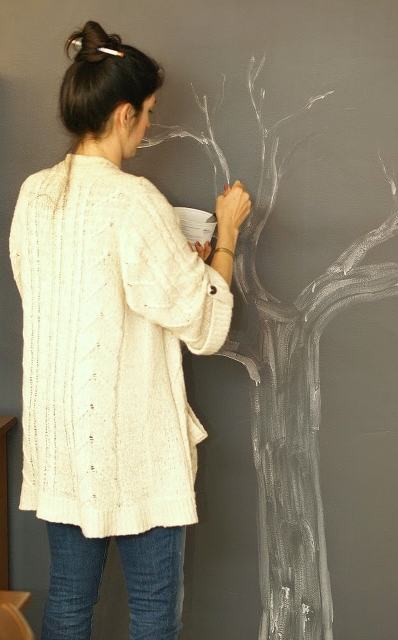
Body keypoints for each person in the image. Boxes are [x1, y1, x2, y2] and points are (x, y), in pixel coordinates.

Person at [8, 19, 252, 640]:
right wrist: (226, 235)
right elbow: (203, 324)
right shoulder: (134, 199)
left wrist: (174, 262)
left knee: (69, 600)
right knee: (152, 609)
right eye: (147, 114)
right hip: (132, 439)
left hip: (62, 437)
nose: (148, 128)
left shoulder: (34, 195)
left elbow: (66, 295)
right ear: (123, 114)